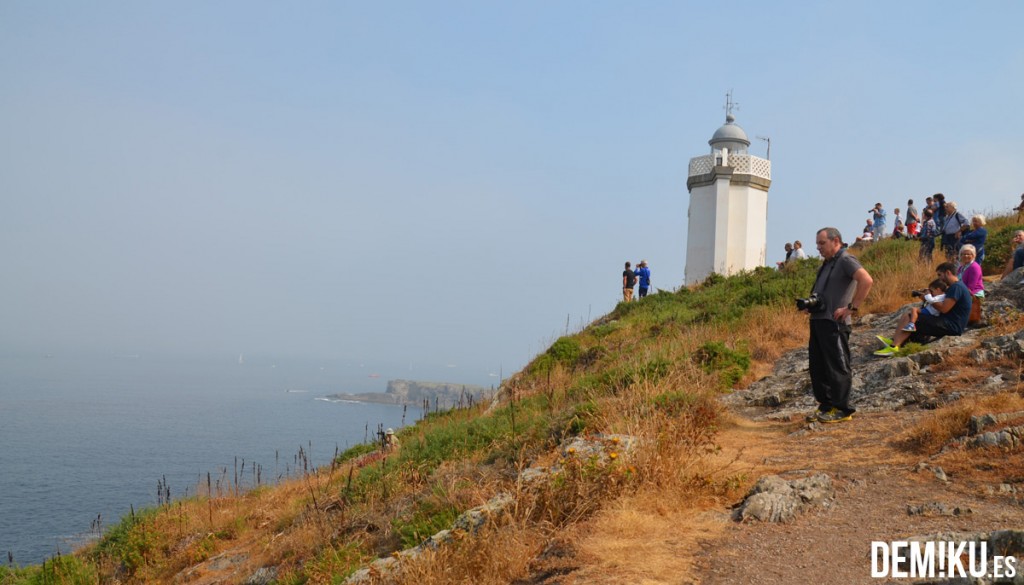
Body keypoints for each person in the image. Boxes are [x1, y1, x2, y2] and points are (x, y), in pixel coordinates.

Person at [803, 227, 873, 423]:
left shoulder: (845, 260)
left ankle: (842, 409)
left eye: (822, 243)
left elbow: (866, 280)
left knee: (837, 366)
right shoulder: (827, 263)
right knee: (818, 366)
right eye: (817, 243)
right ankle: (826, 406)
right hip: (819, 320)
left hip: (835, 323)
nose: (818, 247)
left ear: (836, 241)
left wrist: (851, 307)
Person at [874, 262, 972, 356]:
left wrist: (928, 299)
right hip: (948, 322)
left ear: (948, 273)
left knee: (911, 317)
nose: (939, 278)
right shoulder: (955, 287)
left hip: (952, 326)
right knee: (908, 315)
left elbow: (944, 309)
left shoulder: (956, 287)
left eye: (940, 275)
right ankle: (895, 340)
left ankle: (894, 347)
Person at [957, 244, 984, 325]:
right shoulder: (961, 267)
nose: (966, 256)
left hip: (974, 293)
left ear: (973, 255)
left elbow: (971, 286)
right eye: (964, 254)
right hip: (963, 291)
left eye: (969, 254)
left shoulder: (974, 267)